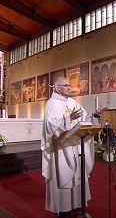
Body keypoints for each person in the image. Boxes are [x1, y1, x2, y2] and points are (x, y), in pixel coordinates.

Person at [41, 77, 95, 217]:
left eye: (69, 85)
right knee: (63, 176)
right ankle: (63, 209)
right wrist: (68, 118)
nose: (69, 87)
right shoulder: (51, 104)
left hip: (76, 144)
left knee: (77, 174)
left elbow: (84, 117)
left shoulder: (72, 102)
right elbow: (50, 125)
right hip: (61, 148)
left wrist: (95, 115)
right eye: (66, 85)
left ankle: (76, 204)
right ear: (58, 87)